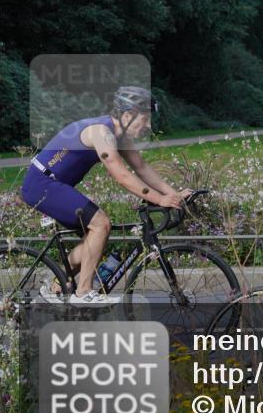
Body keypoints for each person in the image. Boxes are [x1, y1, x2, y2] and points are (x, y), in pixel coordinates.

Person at [20, 86, 190, 305]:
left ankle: (55, 286)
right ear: (127, 116)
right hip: (42, 184)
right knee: (100, 224)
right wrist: (160, 199)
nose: (148, 125)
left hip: (54, 184)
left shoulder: (121, 137)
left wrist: (174, 194)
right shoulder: (101, 133)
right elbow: (121, 175)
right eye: (145, 119)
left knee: (97, 233)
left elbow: (141, 168)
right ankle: (84, 292)